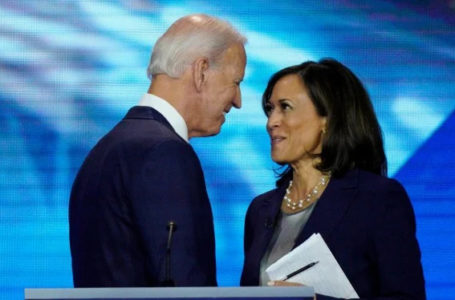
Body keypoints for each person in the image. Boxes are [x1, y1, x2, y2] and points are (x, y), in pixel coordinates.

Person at [69, 14, 247, 287]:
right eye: (236, 82)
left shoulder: (107, 149)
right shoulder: (164, 153)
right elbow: (183, 287)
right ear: (201, 72)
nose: (238, 101)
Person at [240, 59, 425, 299]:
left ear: (327, 119)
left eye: (285, 107)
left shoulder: (378, 199)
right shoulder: (260, 210)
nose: (271, 122)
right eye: (270, 109)